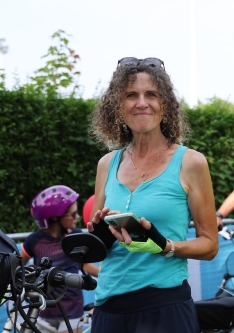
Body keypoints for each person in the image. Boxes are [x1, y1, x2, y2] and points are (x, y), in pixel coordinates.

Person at [87, 57, 218, 333]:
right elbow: (95, 248)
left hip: (164, 308)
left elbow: (209, 244)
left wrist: (165, 245)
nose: (141, 103)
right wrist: (98, 234)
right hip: (108, 308)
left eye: (152, 95)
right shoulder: (106, 164)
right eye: (131, 95)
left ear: (165, 105)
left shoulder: (190, 162)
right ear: (118, 106)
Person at [22, 185, 99, 333]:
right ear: (55, 218)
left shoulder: (75, 236)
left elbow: (85, 266)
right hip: (41, 310)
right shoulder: (34, 241)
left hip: (72, 309)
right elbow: (17, 265)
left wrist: (110, 276)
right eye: (73, 214)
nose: (77, 217)